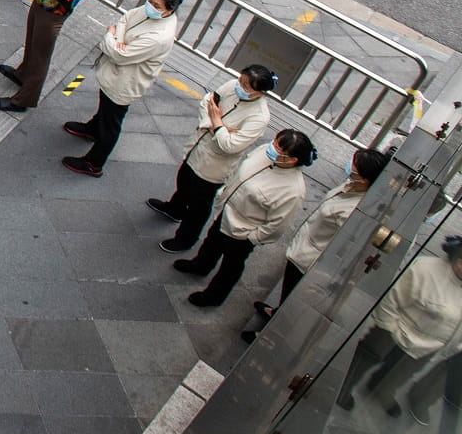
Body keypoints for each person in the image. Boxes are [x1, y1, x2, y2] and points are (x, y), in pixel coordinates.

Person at [243, 147, 388, 340]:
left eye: (353, 169)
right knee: (287, 292)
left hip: (310, 260)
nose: (349, 170)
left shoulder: (355, 211)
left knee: (293, 299)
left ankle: (271, 335)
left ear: (365, 179)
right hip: (305, 245)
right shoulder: (351, 185)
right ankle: (276, 314)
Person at [174, 129, 316, 306]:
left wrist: (252, 237)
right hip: (226, 213)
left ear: (292, 159)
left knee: (230, 266)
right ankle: (200, 265)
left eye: (278, 147)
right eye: (274, 142)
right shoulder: (265, 152)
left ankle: (214, 296)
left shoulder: (293, 190)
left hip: (243, 232)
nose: (271, 147)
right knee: (212, 243)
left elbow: (278, 224)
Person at [60, 0, 184, 178]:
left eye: (156, 5)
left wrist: (112, 36)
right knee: (106, 108)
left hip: (125, 82)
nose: (149, 6)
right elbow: (125, 19)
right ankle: (93, 128)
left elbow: (120, 53)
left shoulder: (159, 37)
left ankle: (94, 163)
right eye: (150, 1)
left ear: (170, 9)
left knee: (112, 121)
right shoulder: (148, 12)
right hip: (115, 75)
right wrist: (120, 39)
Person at [151, 65, 278, 251]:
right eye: (241, 80)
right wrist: (216, 125)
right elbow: (207, 101)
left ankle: (186, 239)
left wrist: (217, 124)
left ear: (260, 92)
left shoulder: (258, 117)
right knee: (184, 181)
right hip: (198, 148)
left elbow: (231, 145)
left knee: (198, 206)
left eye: (246, 86)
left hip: (214, 167)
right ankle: (174, 209)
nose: (239, 86)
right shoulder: (232, 86)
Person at [335, 235, 462, 415]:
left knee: (402, 373)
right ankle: (343, 386)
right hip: (396, 330)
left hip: (430, 344)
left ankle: (382, 389)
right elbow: (391, 300)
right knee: (367, 358)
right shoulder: (425, 269)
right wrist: (388, 329)